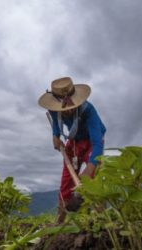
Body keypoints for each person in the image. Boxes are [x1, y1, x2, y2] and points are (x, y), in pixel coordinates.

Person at [38, 76, 106, 224]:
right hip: (74, 141)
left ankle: (100, 220)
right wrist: (55, 136)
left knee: (93, 178)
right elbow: (56, 123)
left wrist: (89, 168)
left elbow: (97, 144)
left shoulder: (88, 111)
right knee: (67, 181)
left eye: (70, 108)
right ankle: (59, 221)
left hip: (92, 141)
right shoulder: (54, 109)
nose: (67, 112)